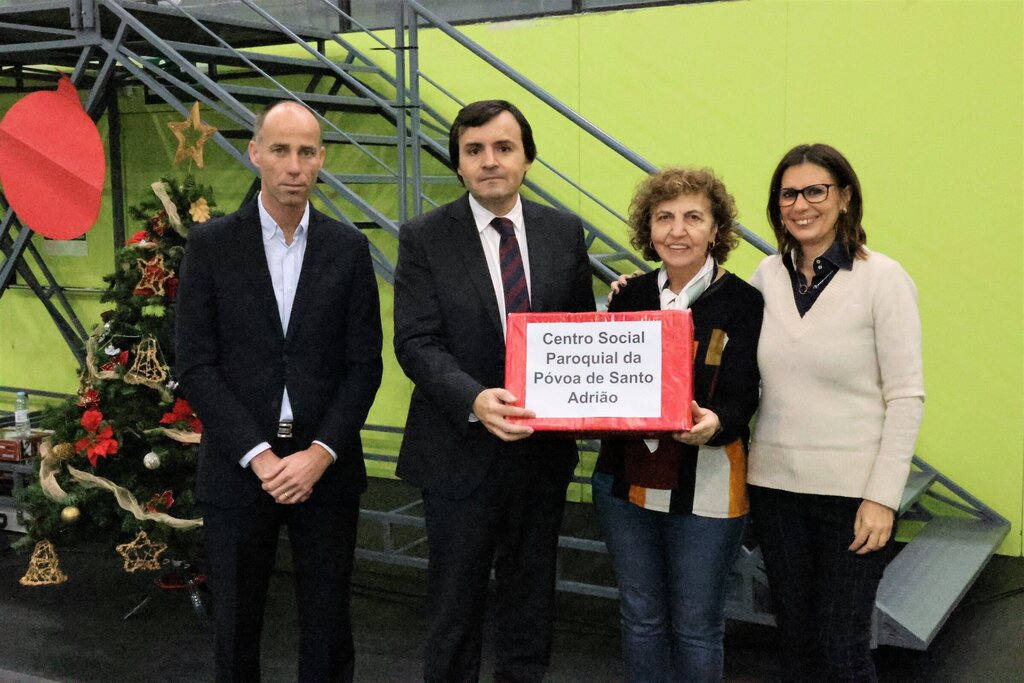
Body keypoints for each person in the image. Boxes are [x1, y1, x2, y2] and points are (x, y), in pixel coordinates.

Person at [175, 100, 383, 683]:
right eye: (281, 150)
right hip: (239, 468)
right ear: (255, 154)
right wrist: (261, 457)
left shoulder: (348, 248)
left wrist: (320, 454)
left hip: (327, 469)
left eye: (307, 152)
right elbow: (196, 365)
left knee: (329, 627)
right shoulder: (211, 245)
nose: (294, 165)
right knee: (235, 627)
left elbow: (364, 366)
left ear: (321, 159)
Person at [393, 99, 595, 683]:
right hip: (457, 452)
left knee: (531, 605)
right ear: (457, 163)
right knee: (454, 609)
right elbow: (416, 341)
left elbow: (581, 331)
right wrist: (474, 399)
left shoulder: (564, 231)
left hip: (541, 455)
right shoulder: (424, 237)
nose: (489, 161)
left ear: (527, 158)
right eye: (474, 150)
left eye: (504, 148)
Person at [747, 143, 925, 682]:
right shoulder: (765, 276)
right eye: (788, 194)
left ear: (844, 197)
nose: (801, 205)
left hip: (853, 499)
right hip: (775, 490)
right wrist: (633, 297)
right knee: (796, 642)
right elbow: (721, 347)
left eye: (815, 191)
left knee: (842, 648)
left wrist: (882, 498)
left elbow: (906, 397)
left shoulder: (883, 278)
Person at [594, 167, 763, 683]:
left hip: (707, 485)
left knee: (696, 627)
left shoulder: (745, 302)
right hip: (625, 484)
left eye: (693, 217)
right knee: (640, 619)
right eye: (664, 217)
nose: (677, 230)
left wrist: (718, 421)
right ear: (649, 230)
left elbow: (745, 393)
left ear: (716, 230)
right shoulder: (628, 296)